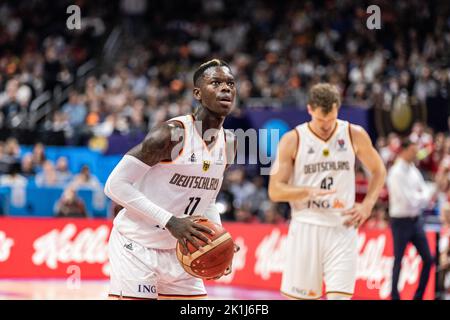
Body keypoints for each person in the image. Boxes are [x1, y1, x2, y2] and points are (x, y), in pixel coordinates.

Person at [104, 59, 237, 300]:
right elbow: (114, 185)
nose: (225, 88)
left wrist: (218, 239)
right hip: (137, 246)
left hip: (182, 250)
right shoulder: (171, 135)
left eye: (230, 83)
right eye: (215, 82)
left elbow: (207, 201)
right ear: (197, 92)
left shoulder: (229, 144)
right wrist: (171, 222)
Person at [268, 83, 386, 300]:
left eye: (330, 119)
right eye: (321, 120)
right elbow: (275, 191)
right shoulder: (293, 139)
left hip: (342, 226)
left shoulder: (353, 134)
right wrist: (305, 192)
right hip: (306, 225)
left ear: (337, 110)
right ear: (310, 110)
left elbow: (379, 170)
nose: (325, 125)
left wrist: (368, 204)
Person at [386, 138, 435, 300]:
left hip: (416, 220)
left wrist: (422, 197)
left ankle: (418, 296)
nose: (416, 154)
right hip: (400, 222)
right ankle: (394, 295)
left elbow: (427, 191)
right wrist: (422, 197)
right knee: (398, 260)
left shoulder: (413, 169)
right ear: (405, 151)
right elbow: (410, 200)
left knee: (428, 259)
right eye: (413, 151)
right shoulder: (395, 173)